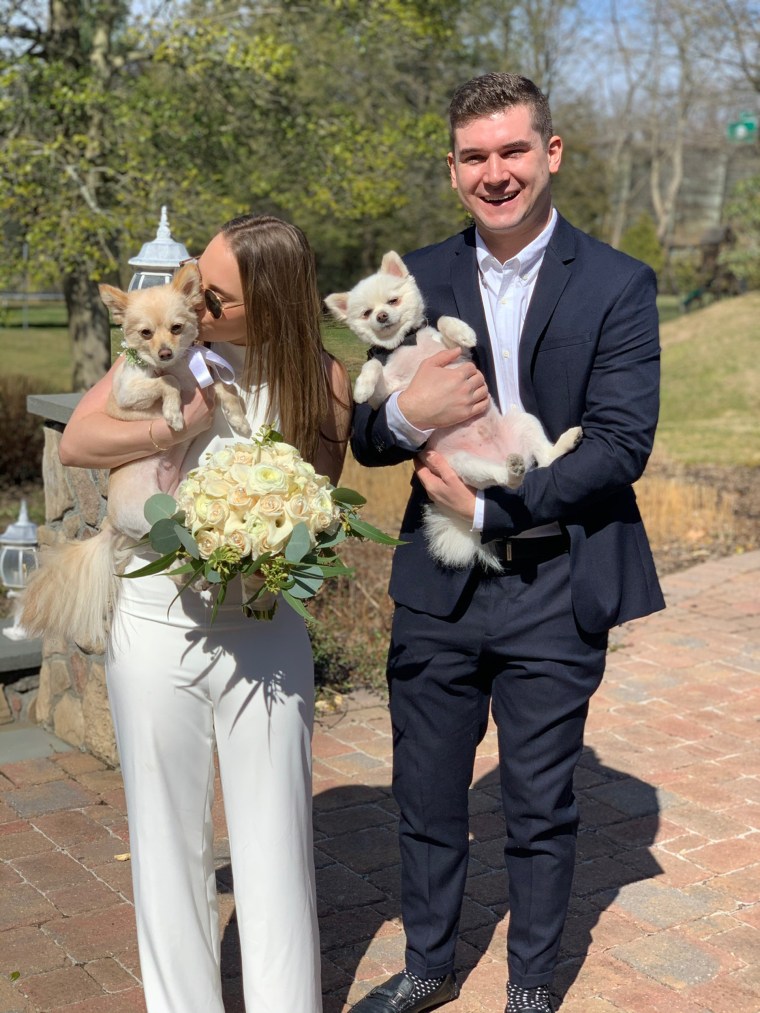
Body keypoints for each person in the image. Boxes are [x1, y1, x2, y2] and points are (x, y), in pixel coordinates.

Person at [349, 73, 665, 1013]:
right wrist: (407, 412)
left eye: (514, 151)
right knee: (428, 795)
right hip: (438, 588)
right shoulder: (415, 281)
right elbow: (366, 438)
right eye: (476, 157)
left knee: (537, 802)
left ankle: (531, 981)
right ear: (453, 169)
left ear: (551, 152)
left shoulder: (616, 282)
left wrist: (498, 510)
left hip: (556, 581)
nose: (497, 173)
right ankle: (431, 963)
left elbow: (619, 443)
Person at [59, 214, 352, 1013]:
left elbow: (320, 503)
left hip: (264, 628)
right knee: (167, 842)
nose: (194, 297)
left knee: (277, 848)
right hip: (154, 623)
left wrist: (285, 540)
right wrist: (179, 423)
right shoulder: (176, 351)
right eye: (196, 277)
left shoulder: (321, 380)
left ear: (270, 301)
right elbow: (76, 443)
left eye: (214, 293)